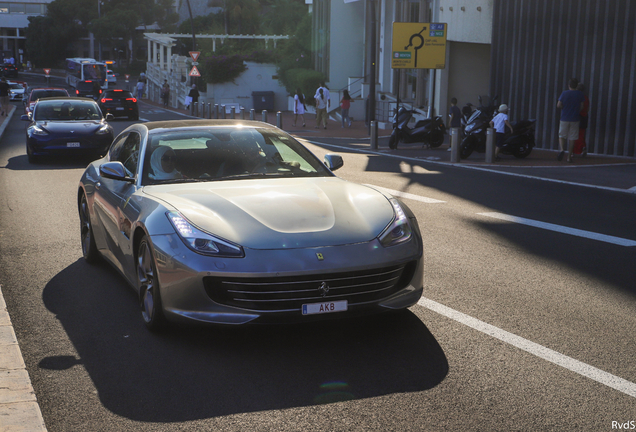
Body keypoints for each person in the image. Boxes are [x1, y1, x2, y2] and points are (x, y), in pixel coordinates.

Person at [557, 78, 585, 163]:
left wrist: (564, 108)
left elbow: (558, 105)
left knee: (562, 135)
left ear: (569, 85)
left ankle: (562, 149)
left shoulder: (564, 93)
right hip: (575, 118)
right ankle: (569, 157)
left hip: (564, 117)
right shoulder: (580, 94)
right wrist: (576, 111)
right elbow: (582, 106)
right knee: (572, 138)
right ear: (576, 85)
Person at [574, 82, 590, 156]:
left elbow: (580, 107)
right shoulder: (586, 97)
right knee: (581, 134)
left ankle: (577, 150)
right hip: (584, 117)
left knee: (577, 135)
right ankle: (583, 147)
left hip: (578, 117)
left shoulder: (578, 97)